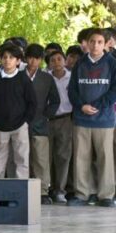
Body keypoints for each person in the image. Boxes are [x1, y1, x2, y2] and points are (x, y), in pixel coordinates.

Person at [66, 29, 116, 206]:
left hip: (104, 120)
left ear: (106, 43)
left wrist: (96, 106)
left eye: (100, 42)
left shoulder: (112, 63)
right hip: (81, 119)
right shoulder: (80, 64)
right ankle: (81, 194)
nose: (95, 45)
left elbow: (114, 91)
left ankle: (106, 196)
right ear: (87, 43)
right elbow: (72, 89)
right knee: (81, 158)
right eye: (92, 41)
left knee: (105, 158)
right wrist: (81, 106)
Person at [0, 43, 37, 180]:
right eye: (5, 57)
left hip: (20, 125)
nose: (8, 60)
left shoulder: (24, 79)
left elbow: (32, 103)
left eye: (12, 57)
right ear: (1, 59)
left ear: (18, 61)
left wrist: (26, 121)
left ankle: (21, 192)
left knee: (22, 159)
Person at [25, 44, 60, 203]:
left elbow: (55, 101)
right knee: (21, 159)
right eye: (31, 57)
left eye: (37, 58)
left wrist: (46, 116)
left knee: (41, 158)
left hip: (40, 124)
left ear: (41, 60)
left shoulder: (47, 78)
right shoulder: (18, 76)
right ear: (26, 58)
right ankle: (22, 188)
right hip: (19, 123)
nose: (33, 61)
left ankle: (42, 191)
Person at [47, 49, 74, 203]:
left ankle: (60, 190)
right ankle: (48, 188)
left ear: (64, 60)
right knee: (47, 156)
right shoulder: (45, 78)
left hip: (66, 119)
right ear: (49, 63)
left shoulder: (71, 78)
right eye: (53, 60)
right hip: (48, 120)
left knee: (63, 156)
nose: (56, 62)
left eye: (59, 59)